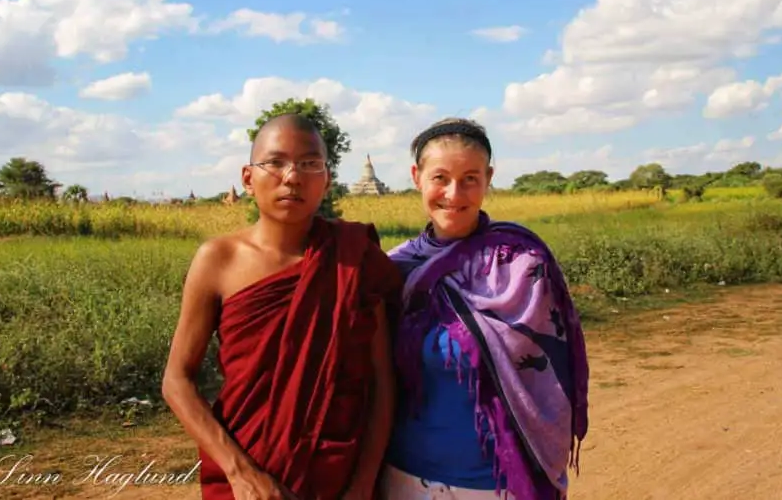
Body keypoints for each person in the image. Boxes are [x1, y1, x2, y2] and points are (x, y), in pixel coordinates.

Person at [162, 113, 401, 500]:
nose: (292, 177)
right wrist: (241, 473)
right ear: (247, 178)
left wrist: (362, 484)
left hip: (337, 474)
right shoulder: (218, 259)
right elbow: (176, 381)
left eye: (309, 164)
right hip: (245, 471)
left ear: (326, 178)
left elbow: (382, 384)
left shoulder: (354, 260)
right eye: (275, 163)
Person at [380, 118, 590, 500]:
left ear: (489, 178)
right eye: (440, 177)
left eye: (470, 178)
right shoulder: (394, 271)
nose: (454, 193)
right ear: (417, 176)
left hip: (497, 479)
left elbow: (549, 379)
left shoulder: (523, 263)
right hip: (405, 474)